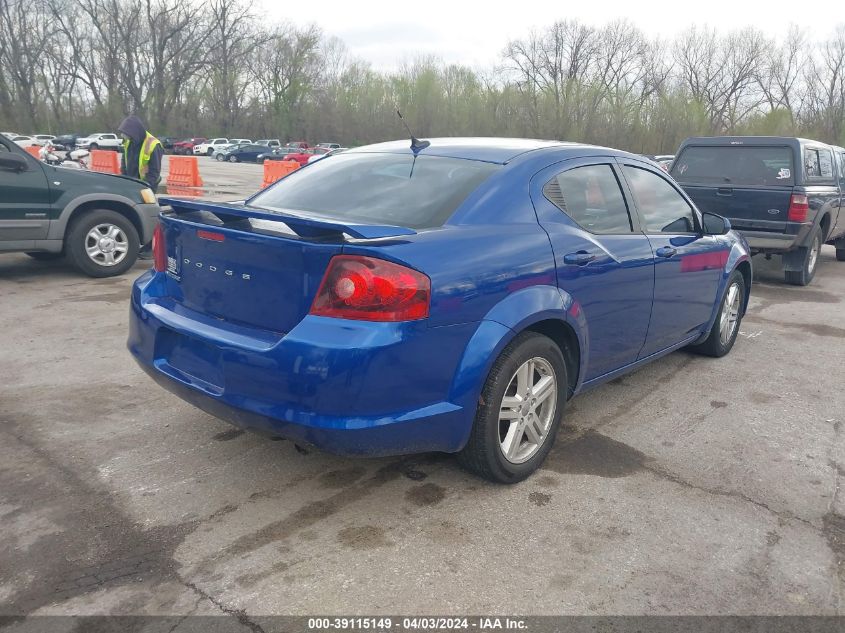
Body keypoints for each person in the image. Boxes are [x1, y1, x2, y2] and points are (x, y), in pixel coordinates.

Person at [118, 114, 163, 259]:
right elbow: (124, 163)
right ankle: (138, 243)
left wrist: (144, 186)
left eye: (127, 134)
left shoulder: (153, 145)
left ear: (135, 131)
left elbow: (154, 172)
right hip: (131, 184)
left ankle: (151, 247)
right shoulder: (129, 142)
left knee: (148, 215)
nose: (125, 136)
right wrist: (124, 181)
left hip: (146, 186)